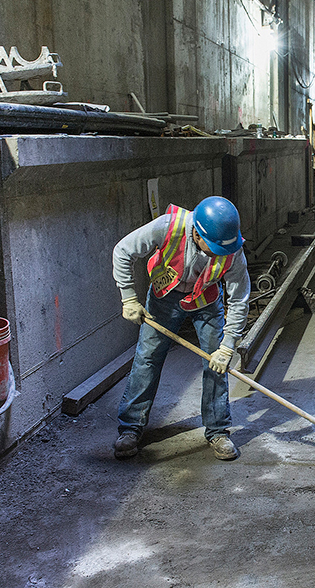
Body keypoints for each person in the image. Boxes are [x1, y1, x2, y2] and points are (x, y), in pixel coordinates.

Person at [111, 196, 251, 461]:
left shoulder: (232, 247)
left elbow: (239, 296)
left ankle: (218, 430)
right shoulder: (167, 227)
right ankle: (130, 427)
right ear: (197, 233)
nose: (217, 254)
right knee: (147, 358)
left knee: (215, 363)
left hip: (206, 299)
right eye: (211, 248)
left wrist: (228, 345)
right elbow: (123, 251)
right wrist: (129, 297)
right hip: (165, 297)